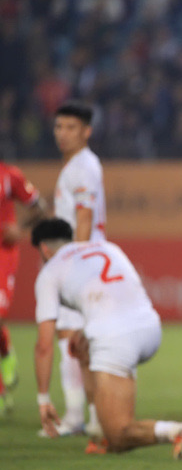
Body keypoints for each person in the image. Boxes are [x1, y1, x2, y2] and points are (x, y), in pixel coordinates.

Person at [32, 218, 182, 458]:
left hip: (116, 339)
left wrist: (43, 400)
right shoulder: (107, 247)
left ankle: (177, 430)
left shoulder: (49, 272)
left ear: (44, 249)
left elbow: (44, 345)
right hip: (150, 327)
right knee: (80, 344)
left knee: (118, 434)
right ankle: (96, 429)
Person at [49, 100, 108, 438]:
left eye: (71, 127)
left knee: (73, 339)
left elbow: (84, 217)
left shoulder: (82, 167)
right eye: (59, 126)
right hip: (83, 260)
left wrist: (77, 261)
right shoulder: (76, 165)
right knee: (78, 340)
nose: (63, 134)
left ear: (87, 131)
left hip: (81, 262)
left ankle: (77, 417)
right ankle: (90, 416)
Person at [0, 160, 46, 415]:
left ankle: (4, 357)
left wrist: (19, 228)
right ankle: (4, 351)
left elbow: (39, 206)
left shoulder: (8, 175)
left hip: (2, 255)